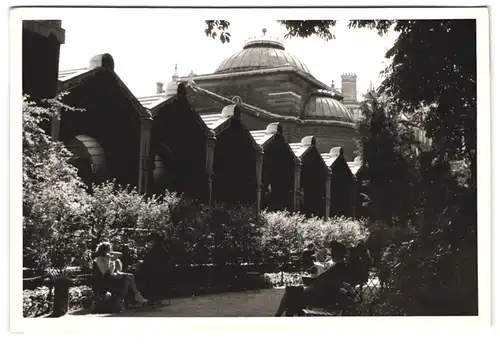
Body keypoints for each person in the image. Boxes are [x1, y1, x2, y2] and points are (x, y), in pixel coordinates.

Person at [275, 241, 348, 316]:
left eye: (332, 251)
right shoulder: (340, 267)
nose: (330, 253)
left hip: (321, 297)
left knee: (290, 292)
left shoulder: (337, 268)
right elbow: (324, 281)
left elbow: (323, 281)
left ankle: (277, 316)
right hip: (322, 294)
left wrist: (310, 286)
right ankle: (282, 315)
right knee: (292, 292)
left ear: (337, 253)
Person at [93, 242, 147, 309]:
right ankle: (135, 296)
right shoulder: (99, 259)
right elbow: (104, 272)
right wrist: (108, 260)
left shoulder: (108, 257)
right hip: (105, 279)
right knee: (130, 277)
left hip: (112, 275)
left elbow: (120, 254)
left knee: (128, 281)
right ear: (104, 250)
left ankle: (130, 298)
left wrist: (109, 255)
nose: (110, 251)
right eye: (108, 249)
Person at [137, 232, 171, 306]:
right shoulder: (162, 249)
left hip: (154, 272)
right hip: (162, 271)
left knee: (142, 277)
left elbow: (148, 261)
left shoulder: (154, 250)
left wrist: (141, 263)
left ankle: (149, 298)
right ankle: (156, 298)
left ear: (153, 241)